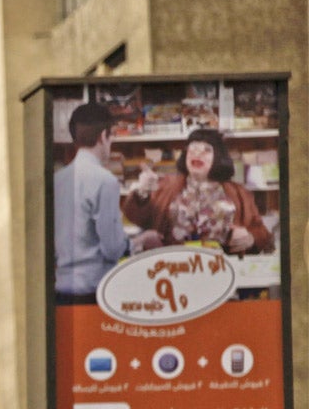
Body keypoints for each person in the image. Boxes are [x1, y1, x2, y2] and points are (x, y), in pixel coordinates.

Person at [123, 128, 275, 256]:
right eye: (193, 149)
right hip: (172, 268)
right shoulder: (166, 185)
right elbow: (135, 216)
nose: (198, 154)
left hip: (222, 269)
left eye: (206, 150)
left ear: (218, 156)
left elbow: (262, 234)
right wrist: (142, 191)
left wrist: (250, 238)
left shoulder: (239, 193)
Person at [53, 101, 132, 297]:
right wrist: (136, 243)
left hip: (62, 286)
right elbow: (113, 248)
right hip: (95, 288)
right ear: (103, 136)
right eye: (111, 136)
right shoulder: (105, 181)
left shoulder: (57, 180)